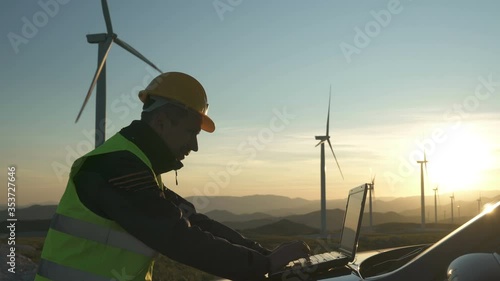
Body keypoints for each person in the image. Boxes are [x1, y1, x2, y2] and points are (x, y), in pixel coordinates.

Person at [35, 72, 310, 281]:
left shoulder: (137, 166)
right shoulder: (115, 167)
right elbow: (177, 237)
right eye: (192, 132)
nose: (194, 146)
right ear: (162, 122)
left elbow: (194, 221)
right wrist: (264, 266)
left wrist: (264, 254)